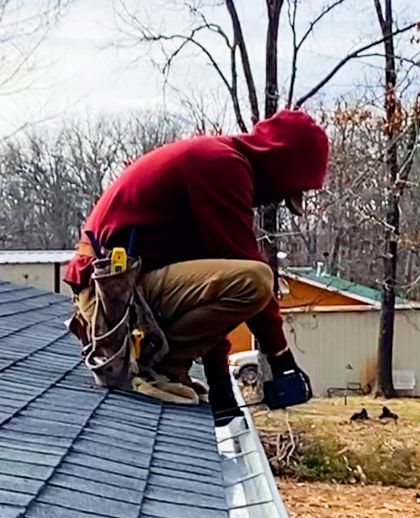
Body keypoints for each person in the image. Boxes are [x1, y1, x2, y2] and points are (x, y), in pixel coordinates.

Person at [64, 109, 329, 424]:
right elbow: (245, 273)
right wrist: (281, 358)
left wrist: (220, 385)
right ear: (279, 167)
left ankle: (166, 366)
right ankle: (156, 367)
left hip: (120, 298)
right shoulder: (222, 166)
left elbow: (211, 297)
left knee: (244, 279)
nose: (276, 201)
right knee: (256, 279)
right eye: (286, 193)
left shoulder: (215, 163)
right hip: (112, 301)